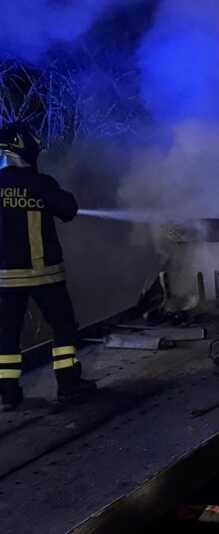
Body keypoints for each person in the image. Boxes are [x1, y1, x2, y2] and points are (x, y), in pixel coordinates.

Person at [0, 123, 96, 411]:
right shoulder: (42, 184)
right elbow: (69, 209)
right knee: (63, 328)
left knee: (7, 335)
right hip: (45, 275)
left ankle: (8, 394)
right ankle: (68, 385)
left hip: (5, 278)